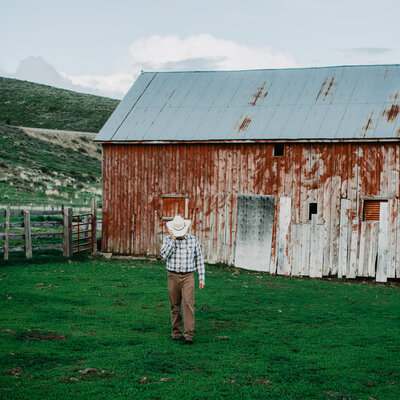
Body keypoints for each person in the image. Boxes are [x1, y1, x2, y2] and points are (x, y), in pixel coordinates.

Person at [160, 215, 205, 345]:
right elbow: (164, 255)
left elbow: (199, 259)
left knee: (188, 303)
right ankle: (176, 332)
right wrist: (173, 240)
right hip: (172, 275)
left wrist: (201, 277)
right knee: (174, 305)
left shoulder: (193, 240)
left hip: (188, 276)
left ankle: (189, 334)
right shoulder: (167, 239)